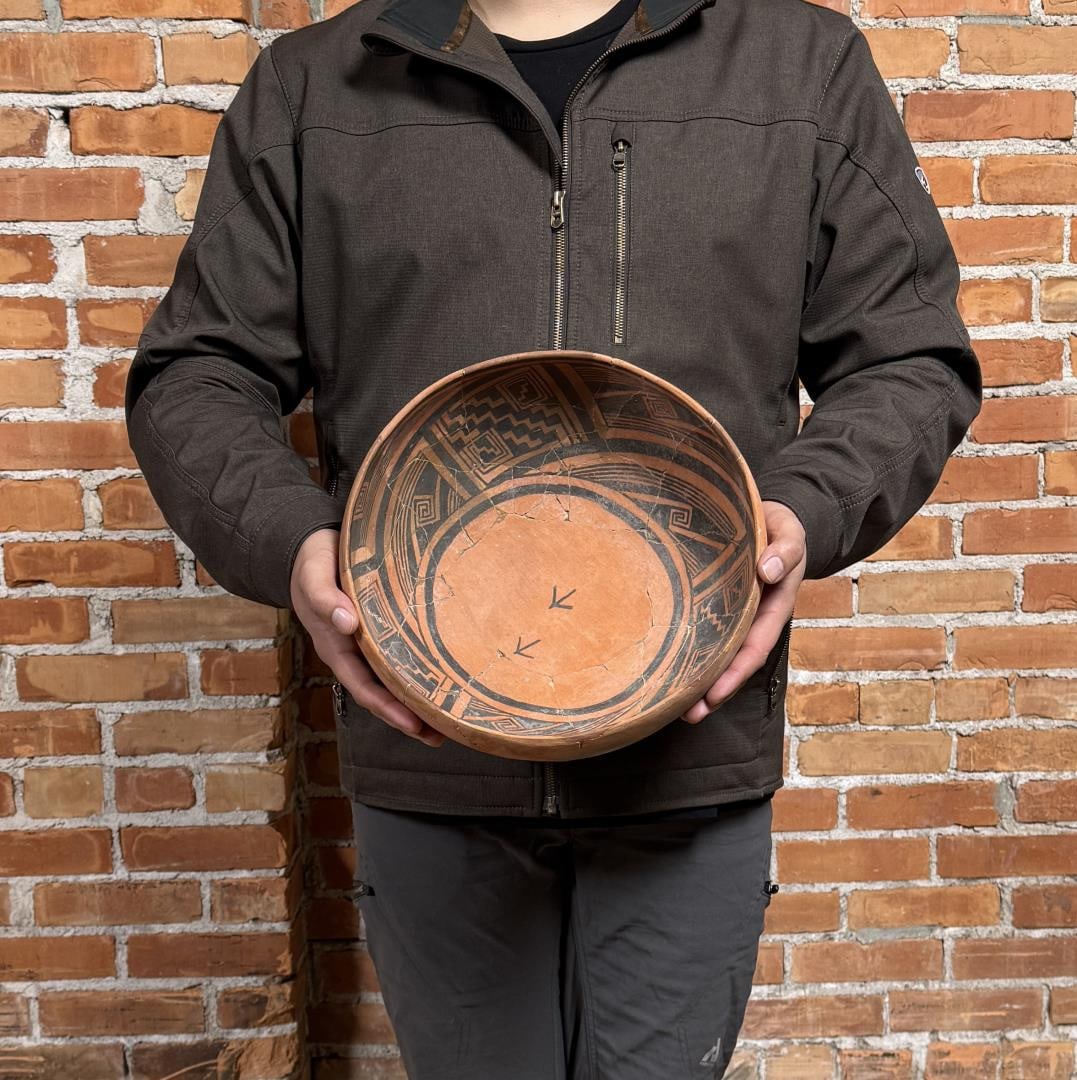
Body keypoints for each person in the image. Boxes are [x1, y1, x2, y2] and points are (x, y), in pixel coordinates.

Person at [123, 0, 983, 1075]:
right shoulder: (312, 86)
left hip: (688, 749)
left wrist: (800, 516)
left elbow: (910, 358)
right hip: (429, 744)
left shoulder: (797, 67)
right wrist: (297, 543)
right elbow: (197, 375)